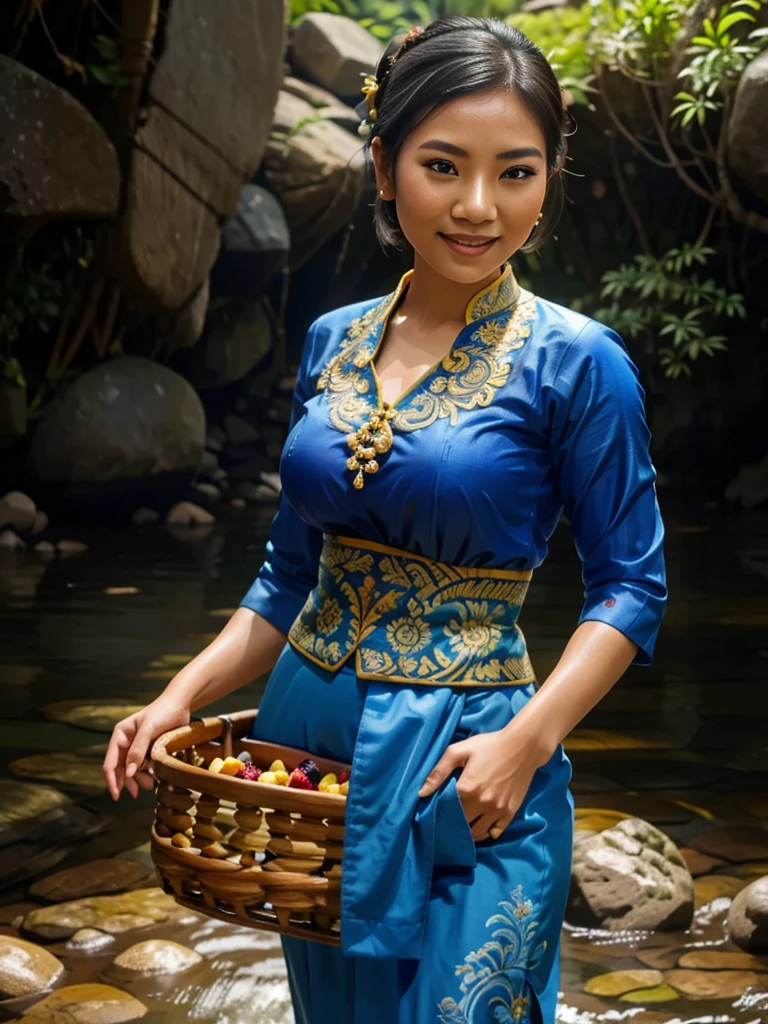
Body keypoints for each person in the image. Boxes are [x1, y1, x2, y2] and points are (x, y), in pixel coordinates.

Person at [103, 15, 667, 1024]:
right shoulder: (332, 341)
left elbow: (631, 588)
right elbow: (286, 578)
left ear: (549, 177)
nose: (479, 206)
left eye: (518, 172)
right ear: (383, 164)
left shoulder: (579, 363)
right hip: (310, 758)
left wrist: (528, 743)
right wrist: (177, 697)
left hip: (472, 763)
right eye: (443, 166)